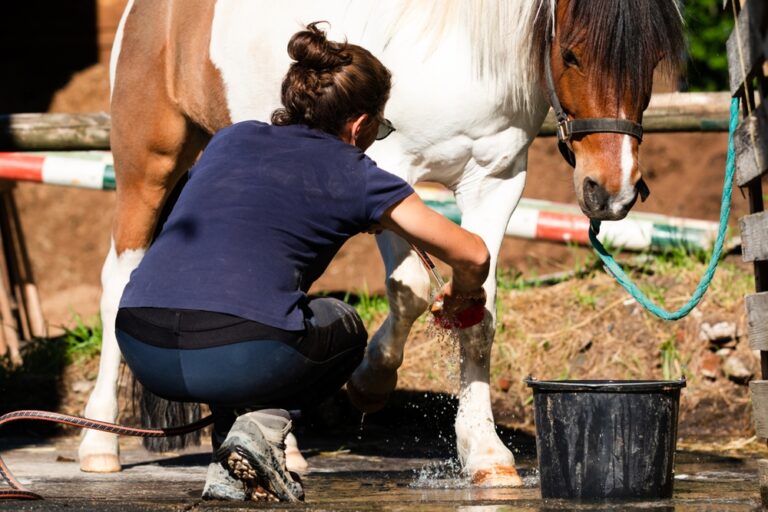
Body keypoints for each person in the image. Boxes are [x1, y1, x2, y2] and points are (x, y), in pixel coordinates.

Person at [115, 22, 490, 503]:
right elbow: (473, 252)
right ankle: (265, 425)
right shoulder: (357, 174)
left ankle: (231, 465)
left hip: (143, 342)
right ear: (360, 125)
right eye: (380, 127)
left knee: (242, 302)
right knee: (342, 325)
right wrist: (463, 293)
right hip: (235, 353)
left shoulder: (230, 139)